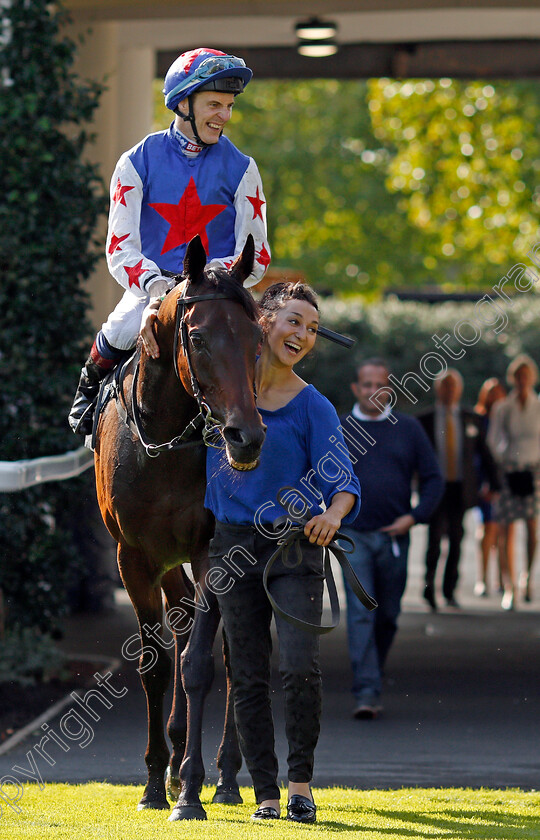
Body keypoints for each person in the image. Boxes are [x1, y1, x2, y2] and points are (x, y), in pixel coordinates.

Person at [204, 282, 361, 823]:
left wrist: (331, 515)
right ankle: (265, 796)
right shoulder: (223, 394)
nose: (302, 335)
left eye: (313, 329)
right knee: (246, 673)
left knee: (298, 666)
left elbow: (342, 482)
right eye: (294, 321)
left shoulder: (312, 405)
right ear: (264, 319)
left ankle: (300, 787)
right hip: (231, 547)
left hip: (294, 548)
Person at [69, 47, 270, 435]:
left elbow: (256, 254)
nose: (224, 116)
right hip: (152, 287)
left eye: (228, 106)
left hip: (215, 292)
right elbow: (119, 249)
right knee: (121, 327)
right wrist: (158, 287)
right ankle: (88, 395)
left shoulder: (244, 167)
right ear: (183, 103)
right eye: (214, 104)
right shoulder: (136, 161)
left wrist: (212, 276)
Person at [339, 359, 443, 719]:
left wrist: (414, 517)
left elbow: (433, 478)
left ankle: (373, 671)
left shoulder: (409, 429)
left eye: (379, 384)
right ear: (356, 388)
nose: (372, 391)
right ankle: (366, 691)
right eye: (366, 384)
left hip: (395, 538)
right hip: (352, 538)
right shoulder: (340, 429)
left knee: (389, 616)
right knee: (361, 615)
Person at [418, 369, 500, 611]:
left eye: (453, 386)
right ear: (437, 389)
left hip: (460, 488)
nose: (449, 390)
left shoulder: (469, 418)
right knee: (434, 541)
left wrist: (494, 484)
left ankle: (449, 590)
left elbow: (485, 454)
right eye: (445, 385)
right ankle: (429, 589)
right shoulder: (425, 420)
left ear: (460, 389)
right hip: (435, 489)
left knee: (456, 539)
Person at [487, 355, 540, 610]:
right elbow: (493, 439)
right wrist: (505, 459)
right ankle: (509, 585)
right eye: (518, 376)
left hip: (533, 472)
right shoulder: (503, 408)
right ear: (513, 379)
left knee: (532, 527)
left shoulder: (537, 405)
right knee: (505, 529)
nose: (522, 381)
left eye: (526, 376)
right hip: (509, 471)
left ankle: (527, 577)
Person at [473, 377, 507, 597]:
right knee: (489, 529)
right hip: (485, 482)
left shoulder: (506, 418)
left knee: (502, 532)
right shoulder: (479, 419)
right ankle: (483, 577)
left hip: (505, 481)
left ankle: (501, 579)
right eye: (490, 392)